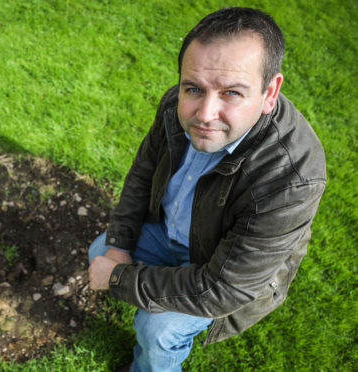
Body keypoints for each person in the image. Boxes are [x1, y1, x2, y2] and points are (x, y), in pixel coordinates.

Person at [87, 7, 326, 372]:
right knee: (100, 249)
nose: (204, 113)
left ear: (269, 92)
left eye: (231, 93)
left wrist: (118, 279)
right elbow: (142, 174)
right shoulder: (175, 105)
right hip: (170, 231)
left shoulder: (291, 178)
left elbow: (223, 289)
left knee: (157, 330)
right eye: (193, 88)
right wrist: (119, 245)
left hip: (221, 268)